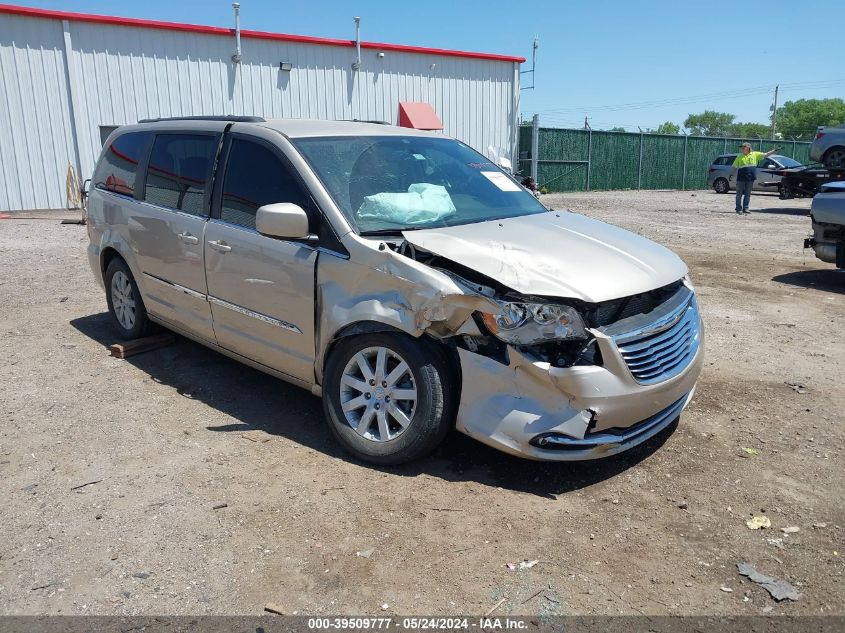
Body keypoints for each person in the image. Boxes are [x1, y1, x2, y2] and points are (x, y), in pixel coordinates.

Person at [732, 142, 776, 214]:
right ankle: (738, 209)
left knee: (748, 194)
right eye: (742, 147)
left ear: (748, 148)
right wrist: (731, 174)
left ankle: (745, 208)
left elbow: (765, 155)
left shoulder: (755, 154)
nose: (742, 148)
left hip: (750, 178)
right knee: (739, 194)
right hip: (741, 178)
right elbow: (734, 166)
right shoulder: (739, 156)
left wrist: (773, 151)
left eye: (744, 147)